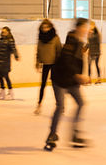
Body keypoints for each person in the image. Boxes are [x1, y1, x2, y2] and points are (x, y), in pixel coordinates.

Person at [45, 18, 90, 151]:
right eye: (85, 27)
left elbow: (78, 62)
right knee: (60, 107)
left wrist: (80, 77)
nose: (86, 30)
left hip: (71, 81)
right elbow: (66, 61)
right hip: (60, 79)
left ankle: (74, 134)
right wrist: (78, 75)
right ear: (78, 28)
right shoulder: (71, 42)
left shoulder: (79, 42)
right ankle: (52, 134)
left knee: (81, 103)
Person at [35, 19, 62, 115]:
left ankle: (60, 105)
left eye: (46, 27)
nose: (45, 29)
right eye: (43, 27)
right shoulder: (40, 38)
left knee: (56, 86)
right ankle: (39, 104)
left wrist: (60, 65)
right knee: (42, 85)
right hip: (45, 64)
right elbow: (38, 52)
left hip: (54, 64)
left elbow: (59, 51)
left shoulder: (55, 38)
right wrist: (37, 63)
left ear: (50, 27)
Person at [0, 26, 20, 100]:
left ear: (8, 32)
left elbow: (13, 49)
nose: (3, 33)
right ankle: (2, 91)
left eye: (4, 32)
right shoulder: (0, 40)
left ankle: (10, 92)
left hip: (5, 62)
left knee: (6, 77)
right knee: (0, 77)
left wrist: (16, 56)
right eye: (2, 32)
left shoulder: (10, 40)